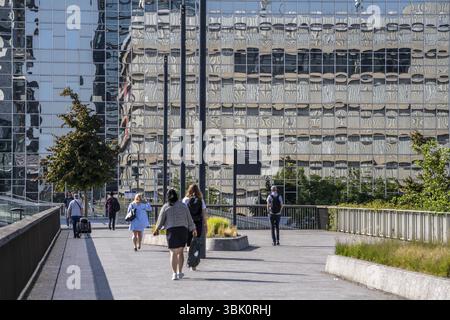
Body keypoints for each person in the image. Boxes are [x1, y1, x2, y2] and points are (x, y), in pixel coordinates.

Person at [154, 189, 197, 280]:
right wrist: (193, 228)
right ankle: (180, 272)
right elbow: (189, 218)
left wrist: (157, 229)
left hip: (171, 231)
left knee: (173, 252)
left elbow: (160, 220)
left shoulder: (165, 207)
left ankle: (174, 274)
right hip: (182, 230)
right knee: (180, 252)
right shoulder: (183, 205)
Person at [182, 184, 208, 270]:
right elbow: (204, 214)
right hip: (198, 224)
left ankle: (190, 261)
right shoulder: (201, 200)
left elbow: (183, 213)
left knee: (189, 243)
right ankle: (194, 264)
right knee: (196, 243)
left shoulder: (185, 200)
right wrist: (205, 225)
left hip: (188, 224)